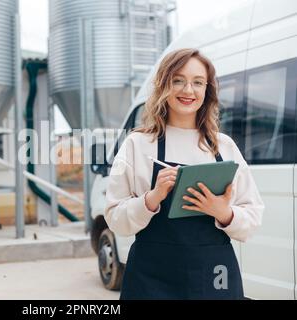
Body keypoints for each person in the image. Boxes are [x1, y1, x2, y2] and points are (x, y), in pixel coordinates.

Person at [104, 48, 264, 300]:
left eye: (198, 83)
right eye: (178, 80)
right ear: (164, 85)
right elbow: (115, 219)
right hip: (151, 276)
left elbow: (252, 220)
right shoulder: (137, 144)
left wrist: (223, 212)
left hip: (215, 274)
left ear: (207, 91)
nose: (188, 90)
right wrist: (151, 198)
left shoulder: (224, 146)